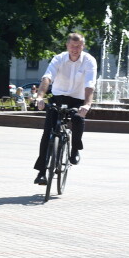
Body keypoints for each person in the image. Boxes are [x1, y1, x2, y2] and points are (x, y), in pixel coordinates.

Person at [33, 33, 97, 185]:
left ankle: (75, 149)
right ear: (67, 46)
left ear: (83, 46)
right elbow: (47, 77)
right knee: (47, 132)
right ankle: (42, 173)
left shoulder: (89, 61)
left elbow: (89, 84)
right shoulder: (59, 58)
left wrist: (86, 105)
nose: (75, 49)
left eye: (78, 46)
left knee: (77, 118)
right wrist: (40, 97)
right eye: (72, 46)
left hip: (77, 99)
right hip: (58, 97)